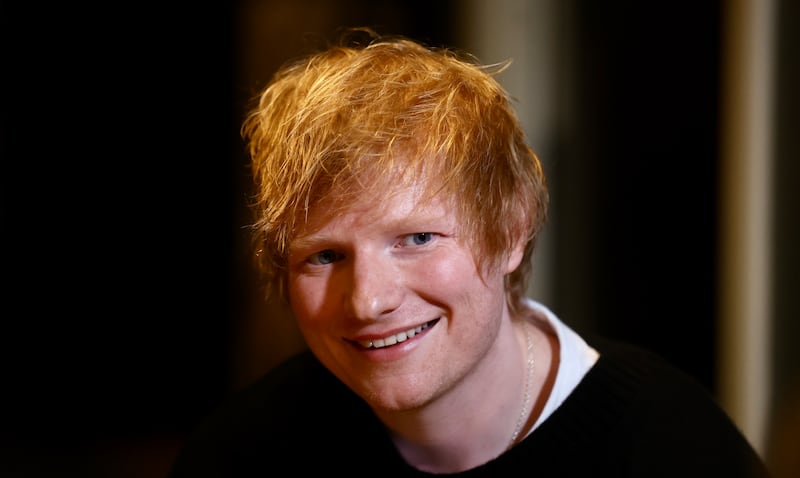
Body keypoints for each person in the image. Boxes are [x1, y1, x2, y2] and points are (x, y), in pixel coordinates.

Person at [169, 28, 771, 477]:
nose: (369, 300)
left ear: (511, 230)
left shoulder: (670, 448)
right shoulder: (241, 453)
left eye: (418, 238)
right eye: (324, 256)